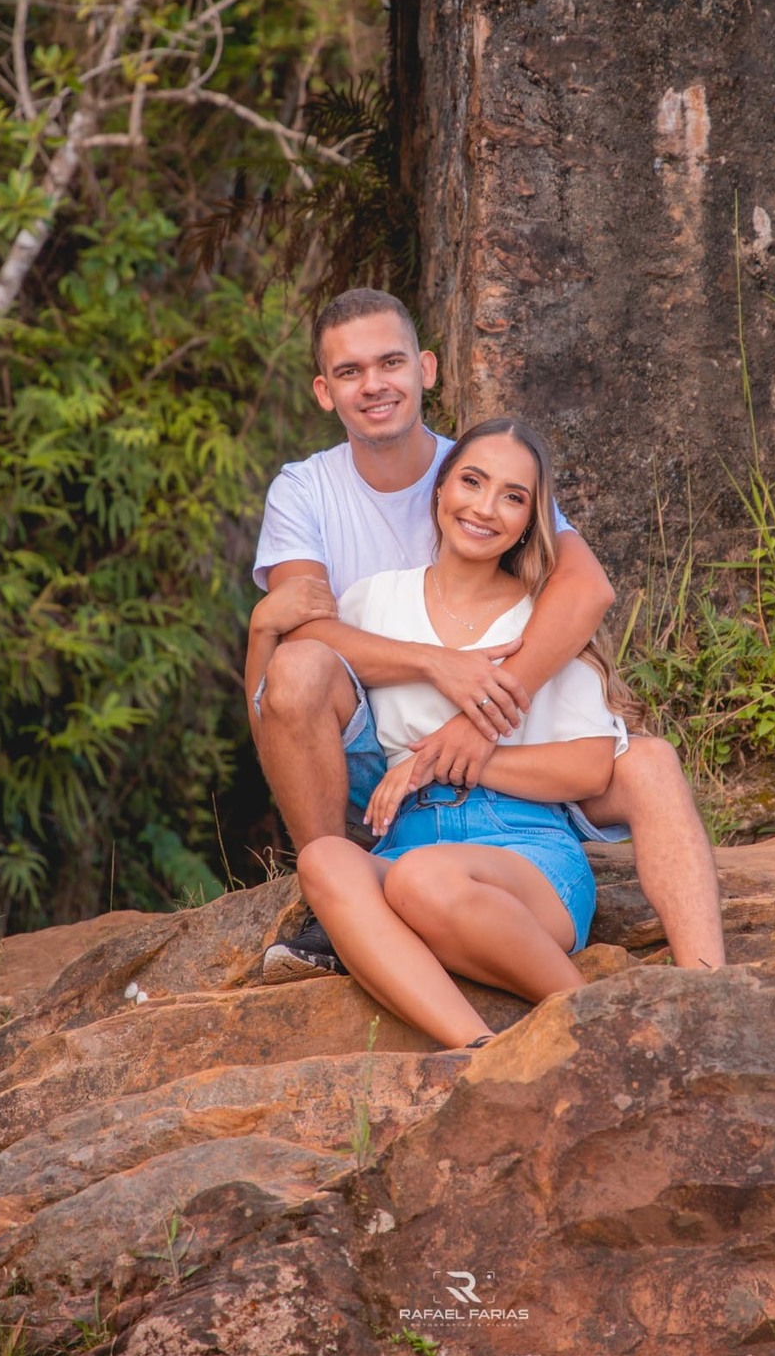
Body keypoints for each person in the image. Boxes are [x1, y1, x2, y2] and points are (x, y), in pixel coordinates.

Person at [246, 287, 724, 979]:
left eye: (391, 363)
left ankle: (708, 983)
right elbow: (307, 629)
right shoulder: (306, 491)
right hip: (372, 747)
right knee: (299, 667)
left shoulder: (481, 469)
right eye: (351, 372)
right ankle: (336, 903)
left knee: (649, 763)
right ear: (325, 391)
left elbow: (586, 586)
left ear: (427, 369)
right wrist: (440, 667)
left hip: (508, 745)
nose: (375, 385)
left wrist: (482, 721)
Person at [295, 419, 632, 1048]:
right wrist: (267, 628)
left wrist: (441, 761)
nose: (485, 508)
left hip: (524, 852)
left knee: (424, 881)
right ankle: (476, 1051)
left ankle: (589, 1019)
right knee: (325, 860)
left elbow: (590, 769)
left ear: (532, 520)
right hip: (404, 843)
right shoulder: (375, 600)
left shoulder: (543, 618)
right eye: (472, 482)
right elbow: (298, 669)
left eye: (513, 496)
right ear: (439, 489)